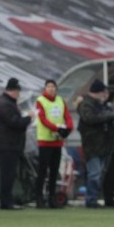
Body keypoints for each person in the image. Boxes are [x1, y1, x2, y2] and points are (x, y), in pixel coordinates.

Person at [77, 79, 114, 208]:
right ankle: (91, 200)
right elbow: (90, 118)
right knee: (94, 173)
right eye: (103, 91)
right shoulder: (86, 105)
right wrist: (108, 116)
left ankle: (93, 198)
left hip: (102, 144)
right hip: (92, 145)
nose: (104, 95)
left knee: (99, 173)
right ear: (98, 92)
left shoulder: (97, 105)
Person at [34, 79, 73, 208]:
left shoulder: (60, 100)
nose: (51, 89)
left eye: (53, 87)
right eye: (48, 87)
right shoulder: (40, 101)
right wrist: (57, 128)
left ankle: (52, 197)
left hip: (57, 141)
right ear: (45, 88)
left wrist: (68, 128)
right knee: (42, 171)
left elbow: (67, 116)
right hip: (45, 141)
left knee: (54, 171)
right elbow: (43, 119)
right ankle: (39, 197)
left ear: (56, 88)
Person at [0, 77, 33, 210]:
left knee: (9, 174)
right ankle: (6, 202)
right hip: (7, 145)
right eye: (18, 91)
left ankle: (7, 200)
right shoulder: (5, 104)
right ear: (13, 91)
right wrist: (28, 118)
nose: (19, 94)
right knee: (7, 174)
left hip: (11, 145)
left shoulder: (6, 103)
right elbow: (15, 122)